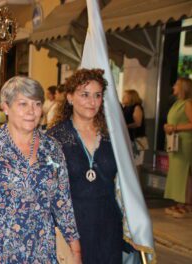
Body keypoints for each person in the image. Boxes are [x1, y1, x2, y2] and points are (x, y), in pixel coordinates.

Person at [0, 76, 81, 263]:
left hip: (41, 251)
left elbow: (63, 203)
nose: (31, 111)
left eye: (37, 104)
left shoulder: (52, 148)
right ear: (5, 107)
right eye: (23, 104)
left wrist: (75, 252)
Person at [48, 69, 125, 263]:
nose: (92, 101)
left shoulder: (113, 136)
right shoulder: (55, 138)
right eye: (85, 94)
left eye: (97, 95)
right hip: (71, 226)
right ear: (70, 97)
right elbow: (47, 188)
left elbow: (126, 182)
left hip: (108, 223)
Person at [163, 77, 192, 218]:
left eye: (176, 84)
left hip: (185, 143)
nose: (173, 86)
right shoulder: (177, 103)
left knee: (185, 173)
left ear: (183, 87)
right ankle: (180, 202)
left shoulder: (188, 104)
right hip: (175, 143)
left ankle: (188, 204)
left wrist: (175, 127)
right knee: (177, 174)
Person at [121, 89, 147, 166]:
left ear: (131, 97)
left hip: (137, 139)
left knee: (136, 163)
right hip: (129, 138)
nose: (123, 97)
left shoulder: (137, 107)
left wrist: (125, 126)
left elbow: (138, 123)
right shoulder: (125, 108)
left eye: (125, 96)